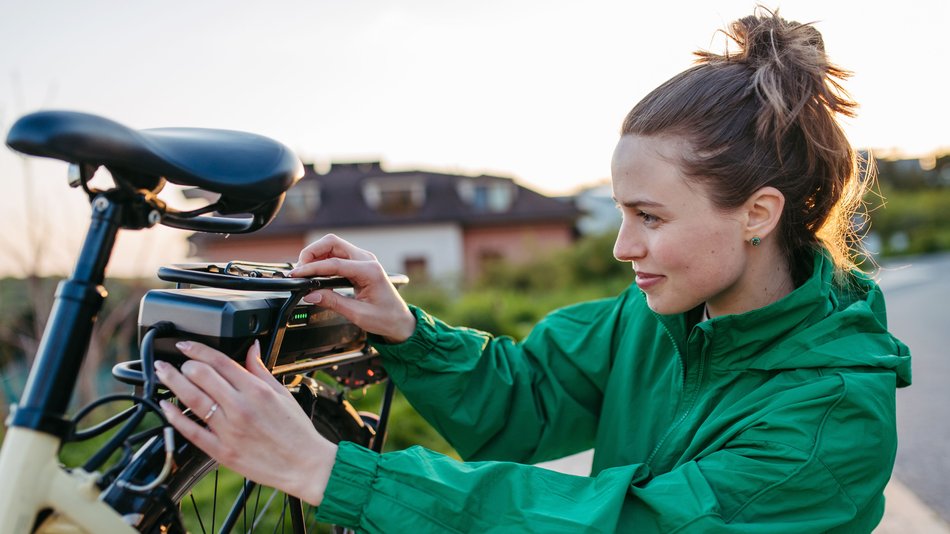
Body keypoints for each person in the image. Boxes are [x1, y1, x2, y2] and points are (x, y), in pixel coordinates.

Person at [155, 8, 911, 532]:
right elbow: (525, 398)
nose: (623, 247)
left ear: (758, 213)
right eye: (622, 213)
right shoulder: (660, 317)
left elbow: (628, 528)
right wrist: (407, 332)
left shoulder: (829, 415)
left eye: (650, 217)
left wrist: (328, 472)